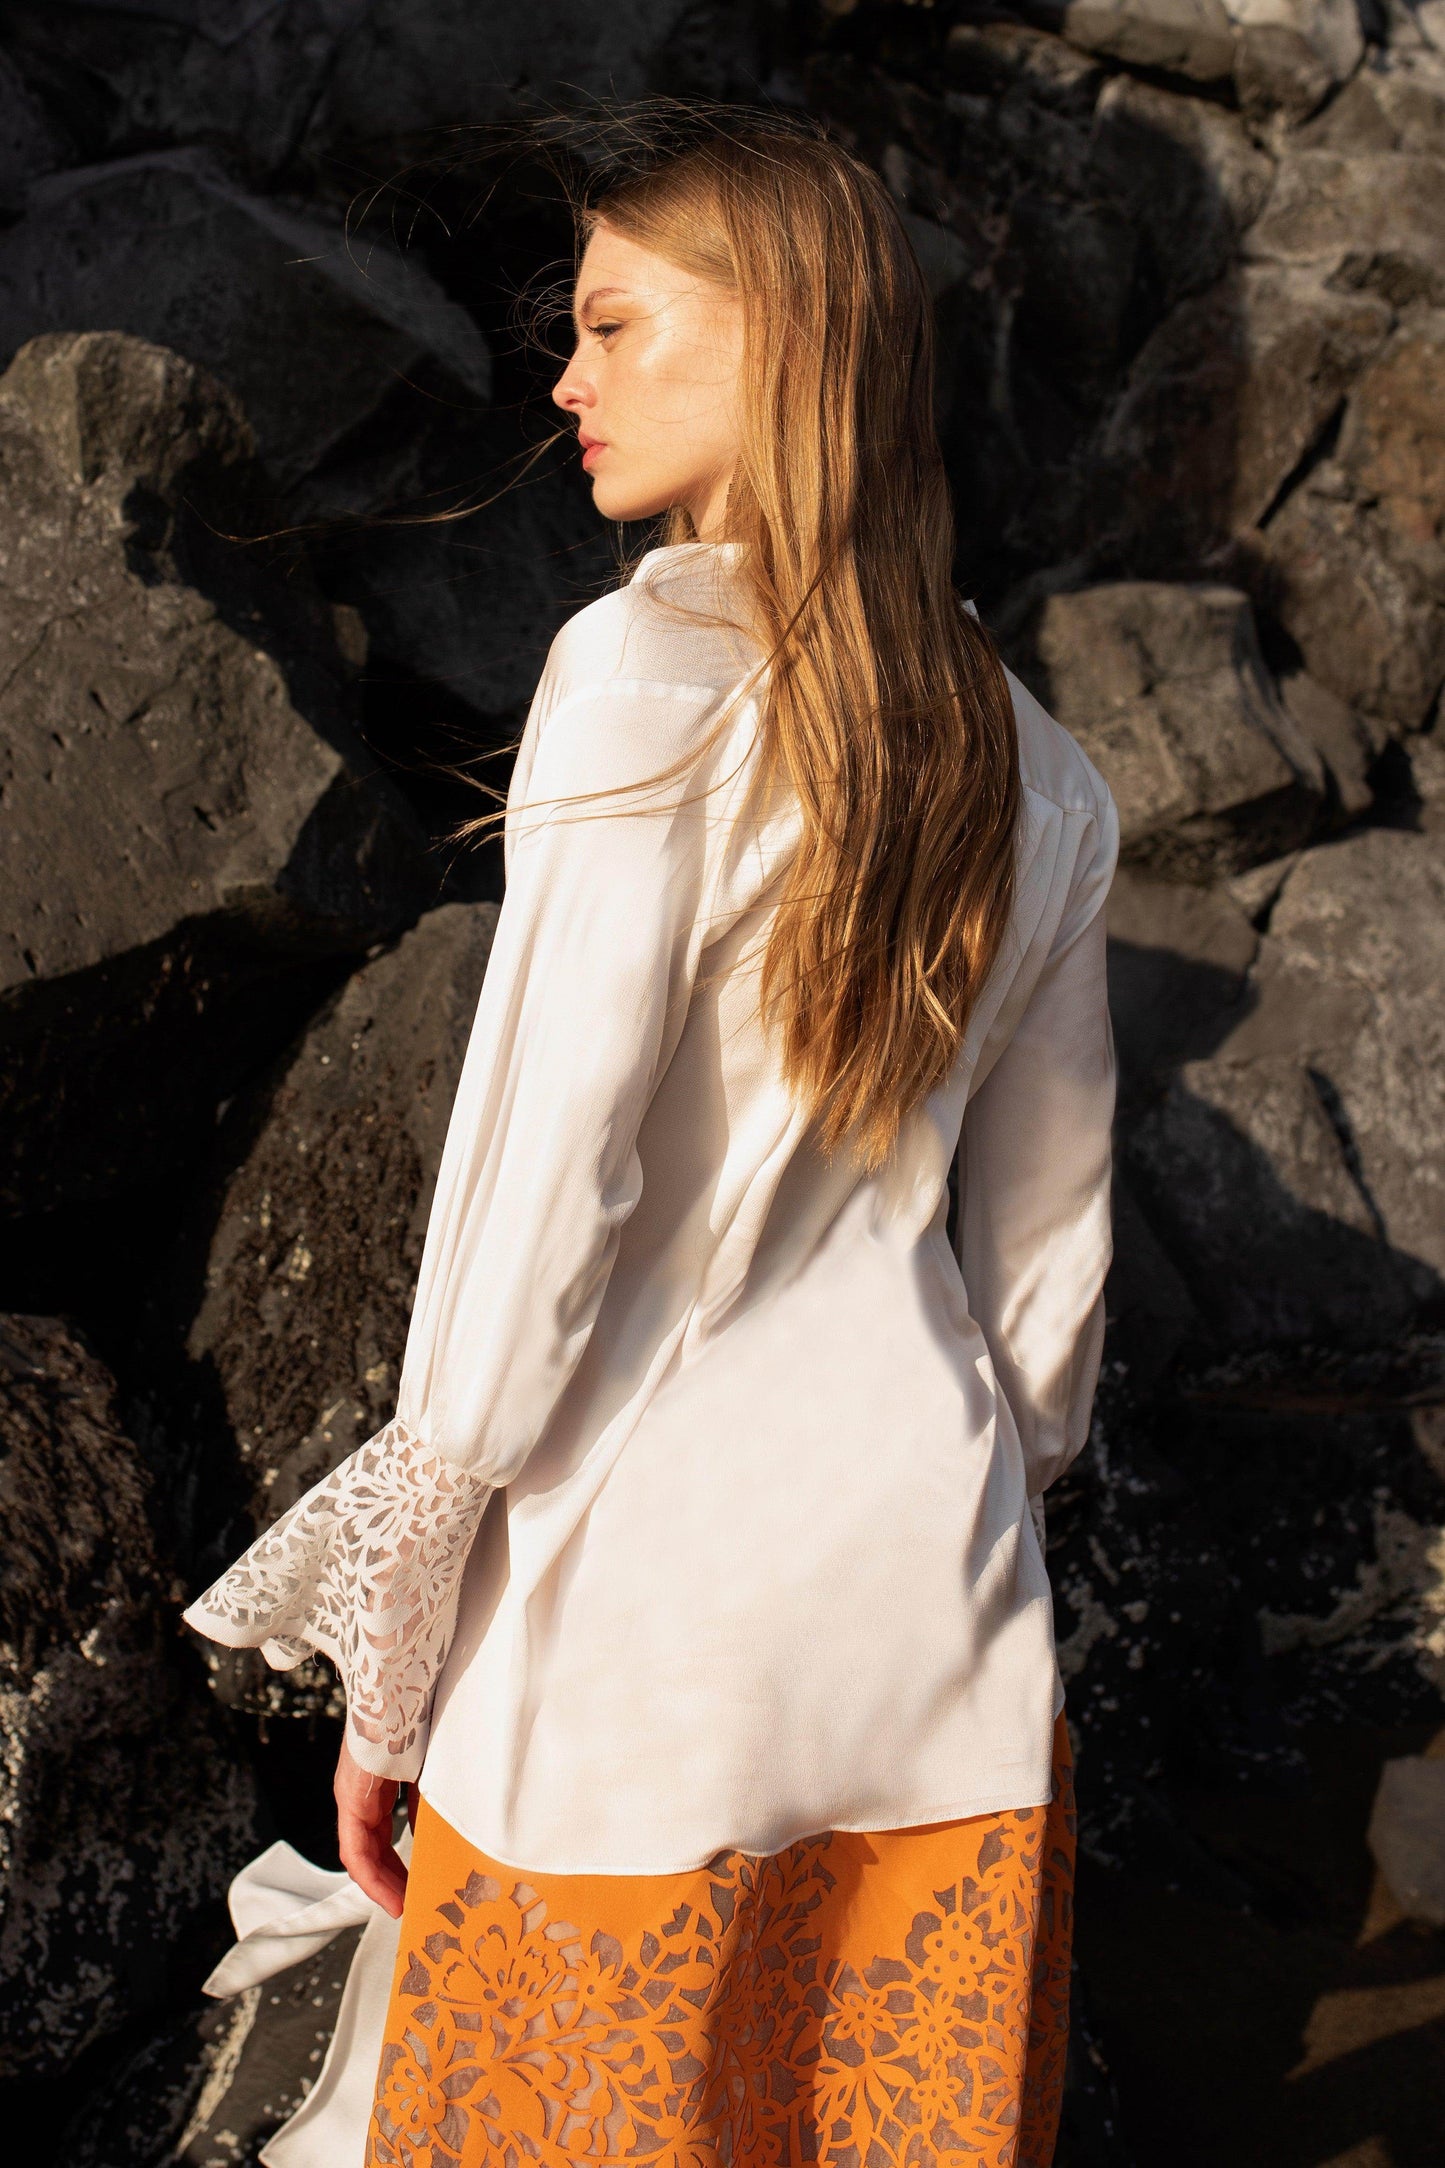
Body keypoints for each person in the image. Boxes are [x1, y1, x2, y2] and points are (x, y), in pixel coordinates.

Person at [186, 108, 1117, 2168]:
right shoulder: (1045, 771)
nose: (564, 381)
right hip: (936, 1603)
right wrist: (981, 1497)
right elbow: (1048, 1309)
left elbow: (545, 1199)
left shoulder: (634, 676)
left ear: (778, 338)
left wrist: (395, 1654)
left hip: (640, 1609)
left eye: (613, 325)